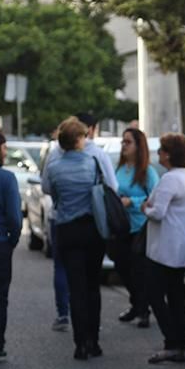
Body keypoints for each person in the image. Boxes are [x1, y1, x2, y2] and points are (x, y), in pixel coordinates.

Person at [44, 112, 117, 332]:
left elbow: (48, 189)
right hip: (91, 227)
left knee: (75, 286)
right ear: (77, 140)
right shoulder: (93, 162)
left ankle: (80, 341)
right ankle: (93, 338)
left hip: (66, 227)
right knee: (92, 285)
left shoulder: (54, 165)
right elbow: (111, 188)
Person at [142, 133, 185, 364]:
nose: (158, 154)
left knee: (155, 294)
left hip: (165, 249)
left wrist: (145, 208)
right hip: (181, 246)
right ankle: (179, 343)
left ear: (169, 154)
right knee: (176, 296)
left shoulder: (170, 179)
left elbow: (158, 212)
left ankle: (172, 341)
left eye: (162, 150)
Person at [114, 127, 159, 328]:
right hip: (120, 225)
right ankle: (136, 304)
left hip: (140, 227)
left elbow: (156, 197)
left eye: (128, 142)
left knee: (138, 270)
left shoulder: (147, 171)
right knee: (122, 267)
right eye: (122, 141)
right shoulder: (120, 169)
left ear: (138, 146)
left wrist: (131, 201)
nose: (124, 145)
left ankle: (143, 310)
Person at [0, 131, 21, 361]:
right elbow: (14, 218)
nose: (5, 153)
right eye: (4, 148)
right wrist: (12, 239)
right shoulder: (6, 179)